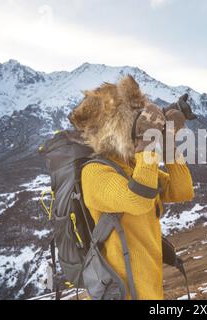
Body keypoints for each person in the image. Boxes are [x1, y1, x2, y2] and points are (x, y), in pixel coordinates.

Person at [68, 75, 194, 300]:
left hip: (150, 290)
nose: (140, 121)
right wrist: (146, 140)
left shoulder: (133, 165)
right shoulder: (95, 173)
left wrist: (167, 140)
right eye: (134, 117)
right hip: (123, 293)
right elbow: (139, 199)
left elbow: (182, 189)